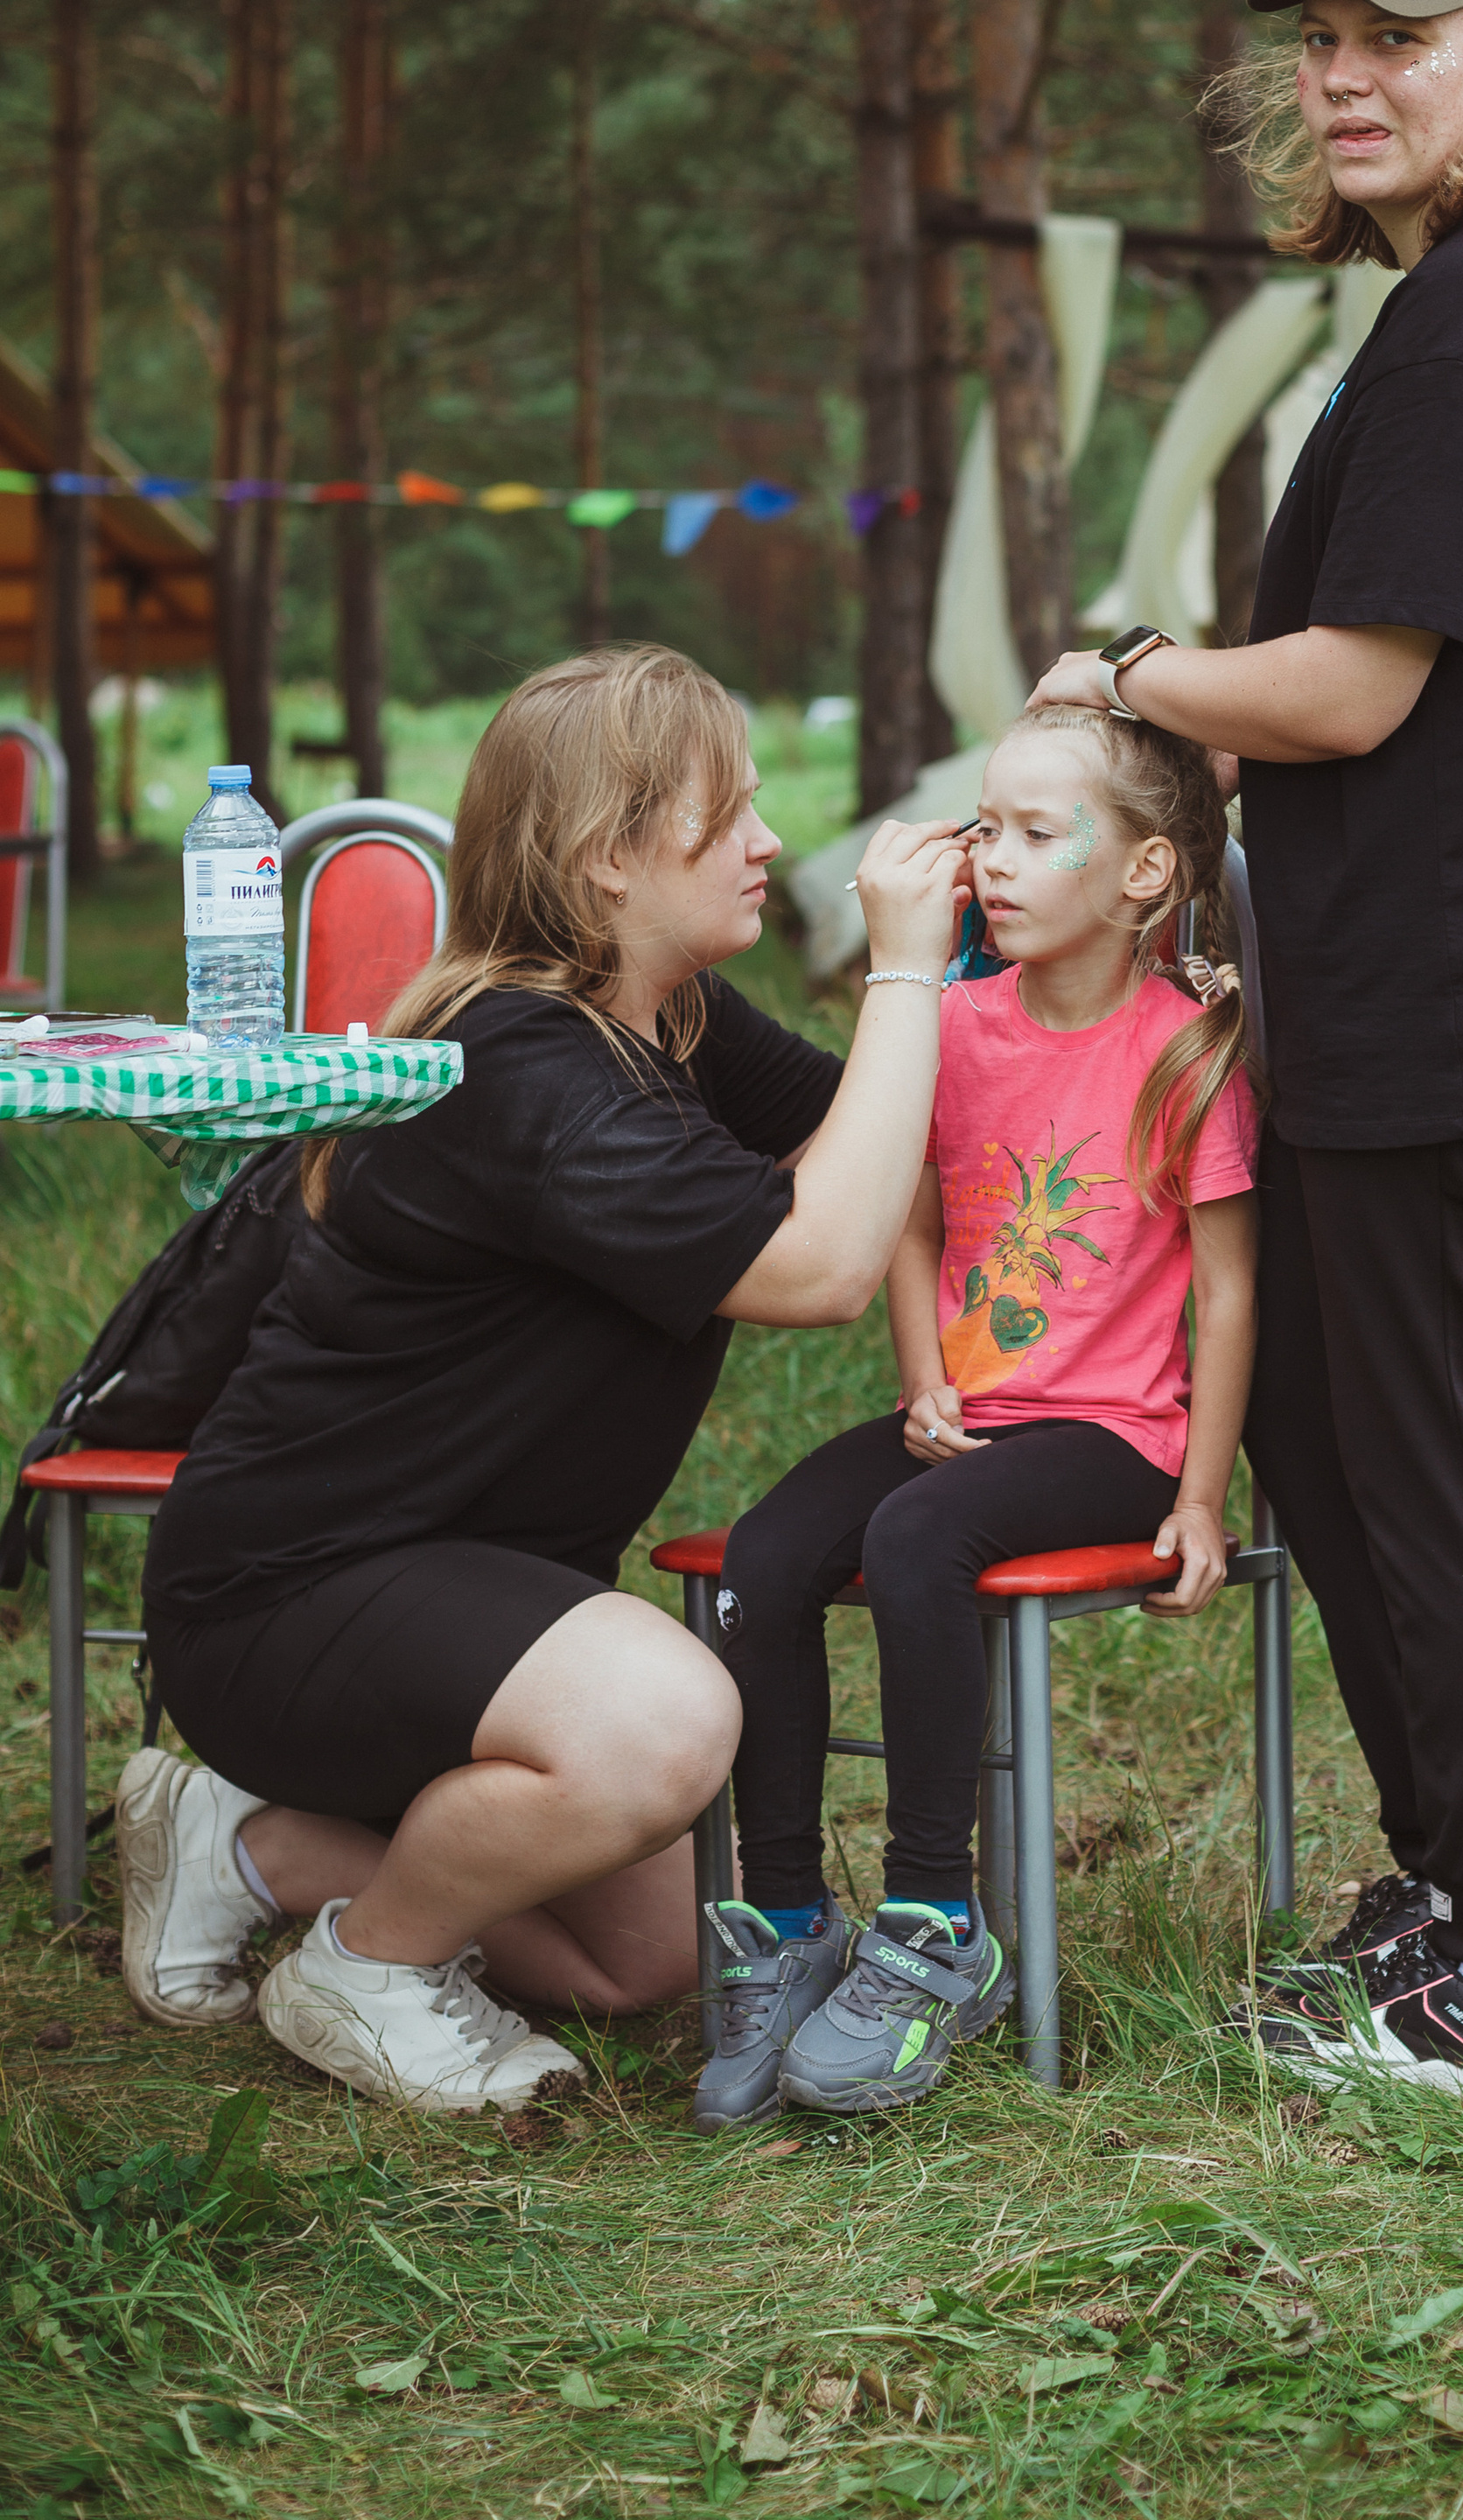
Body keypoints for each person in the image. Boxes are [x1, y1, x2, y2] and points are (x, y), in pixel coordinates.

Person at [1028, 0, 1463, 2106]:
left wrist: (1131, 670)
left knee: (1433, 1457)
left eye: (1395, 36)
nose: (1341, 76)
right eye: (1316, 40)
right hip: (1446, 961)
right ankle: (1439, 1885)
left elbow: (1346, 690)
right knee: (1331, 1423)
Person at [118, 644, 969, 2116]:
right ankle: (366, 1967)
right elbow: (818, 1267)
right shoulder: (522, 1066)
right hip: (290, 1590)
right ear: (606, 862)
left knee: (633, 1965)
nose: (771, 843)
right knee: (666, 1724)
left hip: (472, 1589)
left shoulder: (670, 1018)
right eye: (731, 816)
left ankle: (243, 1845)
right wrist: (904, 962)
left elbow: (888, 1130)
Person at [692, 707, 1257, 2128]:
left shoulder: (1187, 1053)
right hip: (966, 1415)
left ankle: (939, 1922)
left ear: (1143, 876)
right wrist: (923, 1378)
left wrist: (1197, 1493)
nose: (990, 860)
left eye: (1033, 833)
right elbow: (913, 1224)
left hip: (1113, 1438)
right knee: (763, 1557)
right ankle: (790, 1918)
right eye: (983, 828)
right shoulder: (945, 1026)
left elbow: (1231, 1297)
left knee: (922, 1534)